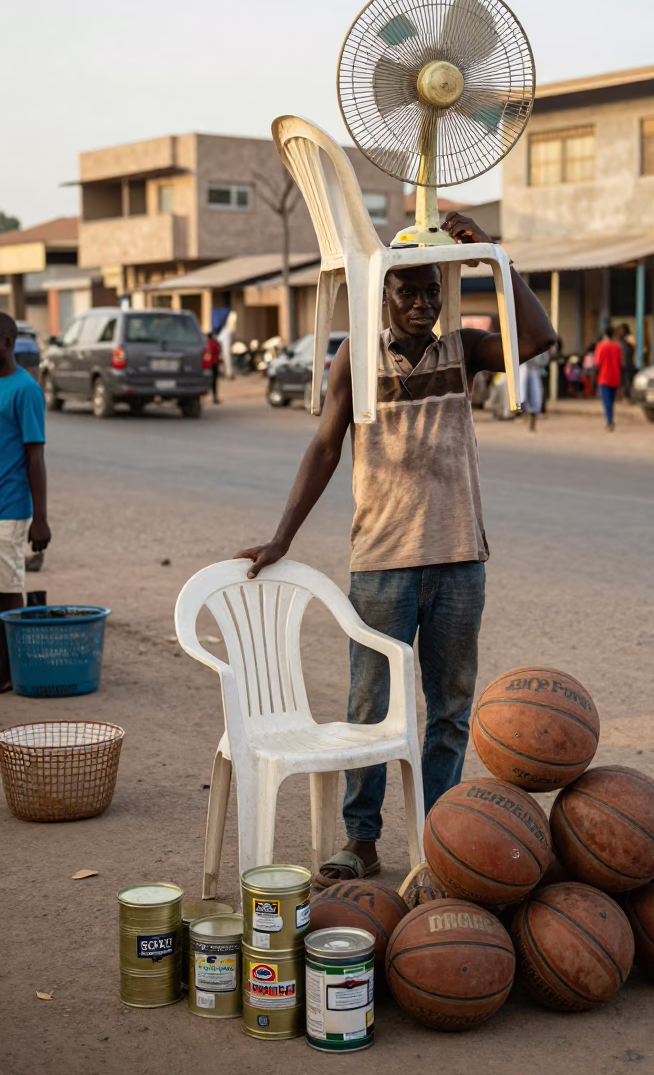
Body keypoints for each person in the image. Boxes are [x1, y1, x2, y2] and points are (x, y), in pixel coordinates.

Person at [235, 212, 557, 885]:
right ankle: (362, 839)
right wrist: (282, 536)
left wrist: (492, 256)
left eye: (431, 291)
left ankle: (443, 840)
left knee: (449, 711)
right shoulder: (356, 355)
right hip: (382, 562)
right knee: (369, 711)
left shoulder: (462, 349)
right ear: (382, 293)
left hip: (459, 559)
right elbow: (325, 445)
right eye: (406, 290)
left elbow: (538, 337)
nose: (420, 302)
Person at [0, 313, 50, 692]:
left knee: (7, 589)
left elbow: (35, 457)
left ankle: (7, 672)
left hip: (10, 508)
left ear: (6, 343)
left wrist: (40, 519)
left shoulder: (25, 389)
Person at [595, 324, 624, 430]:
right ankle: (611, 418)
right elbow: (621, 363)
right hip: (615, 376)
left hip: (604, 376)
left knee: (606, 401)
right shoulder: (618, 346)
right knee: (612, 401)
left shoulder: (601, 346)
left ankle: (610, 421)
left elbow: (598, 362)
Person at [617, 323, 636, 399]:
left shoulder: (630, 338)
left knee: (629, 380)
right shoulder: (620, 339)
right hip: (621, 362)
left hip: (628, 362)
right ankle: (623, 395)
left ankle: (629, 396)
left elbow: (633, 349)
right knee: (622, 380)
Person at [205, 331, 221, 403]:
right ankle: (215, 397)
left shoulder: (206, 343)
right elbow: (219, 350)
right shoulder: (215, 342)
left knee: (209, 381)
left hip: (207, 365)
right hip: (215, 363)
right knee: (214, 381)